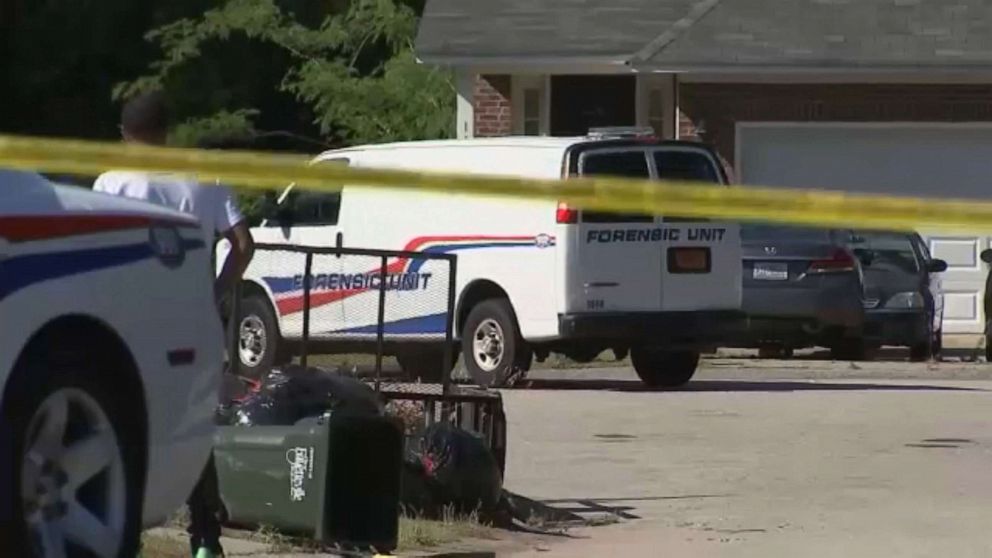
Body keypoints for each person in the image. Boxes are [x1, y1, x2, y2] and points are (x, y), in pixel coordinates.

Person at [94, 90, 255, 558]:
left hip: (134, 323)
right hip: (192, 323)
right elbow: (243, 245)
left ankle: (126, 534)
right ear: (168, 132)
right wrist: (215, 293)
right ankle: (206, 539)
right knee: (192, 430)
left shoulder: (113, 183)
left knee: (130, 425)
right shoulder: (205, 174)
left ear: (125, 136)